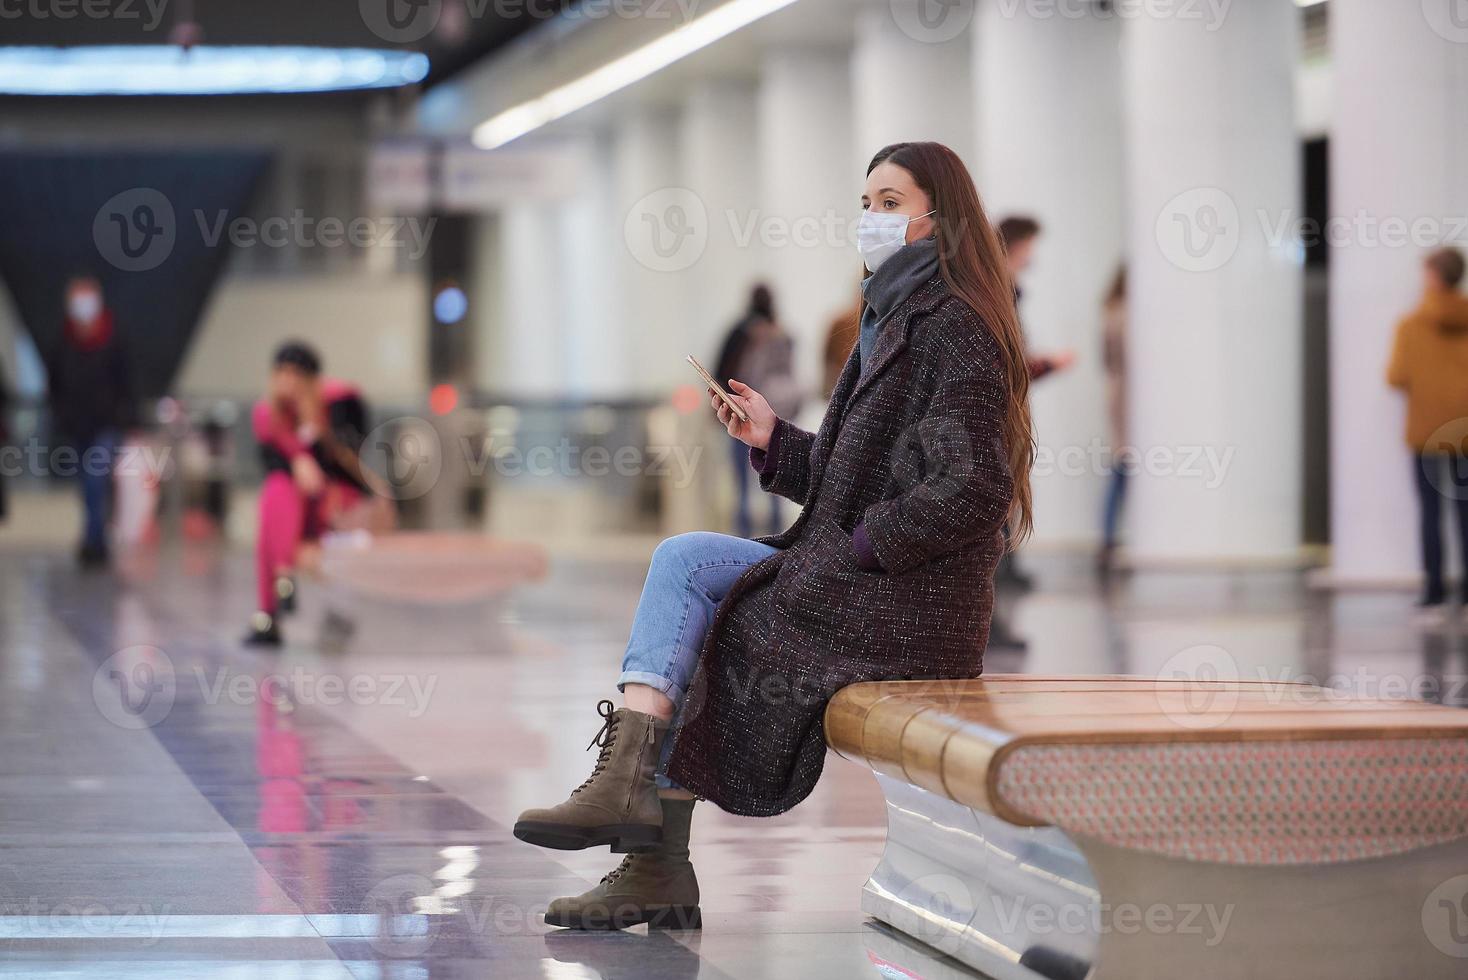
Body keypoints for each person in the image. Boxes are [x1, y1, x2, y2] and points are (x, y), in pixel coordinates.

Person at [512, 141, 1034, 931]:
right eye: (866, 204)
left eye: (890, 204)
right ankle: (634, 807)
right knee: (686, 561)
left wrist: (863, 547)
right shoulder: (891, 316)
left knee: (732, 612)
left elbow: (973, 487)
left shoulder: (953, 326)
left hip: (907, 600)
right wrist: (772, 440)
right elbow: (847, 475)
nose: (871, 220)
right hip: (863, 575)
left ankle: (647, 844)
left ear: (942, 220)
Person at [246, 342, 381, 647]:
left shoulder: (339, 403)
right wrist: (297, 459)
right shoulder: (268, 414)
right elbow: (271, 463)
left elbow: (347, 461)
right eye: (281, 372)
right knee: (276, 492)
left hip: (336, 501)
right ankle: (282, 580)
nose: (287, 381)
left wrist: (316, 429)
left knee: (285, 511)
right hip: (294, 509)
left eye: (295, 374)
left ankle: (277, 603)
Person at [1387, 246, 1468, 616]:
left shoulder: (1411, 325)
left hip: (1425, 432)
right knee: (1464, 511)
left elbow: (1396, 376)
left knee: (1430, 512)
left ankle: (1434, 591)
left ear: (1433, 277)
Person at [49, 276, 133, 567]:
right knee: (87, 485)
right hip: (77, 427)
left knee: (95, 479)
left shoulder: (114, 339)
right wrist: (61, 416)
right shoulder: (63, 342)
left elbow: (126, 382)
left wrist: (127, 418)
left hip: (107, 426)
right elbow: (55, 384)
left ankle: (94, 542)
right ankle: (95, 536)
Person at [712, 285, 802, 537]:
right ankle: (776, 537)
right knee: (775, 479)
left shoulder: (739, 333)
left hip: (741, 414)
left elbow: (721, 371)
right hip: (775, 414)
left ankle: (742, 535)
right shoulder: (783, 334)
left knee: (741, 483)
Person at [1098, 266, 1128, 575]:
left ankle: (1108, 539)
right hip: (1128, 399)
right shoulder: (1126, 315)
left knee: (1121, 469)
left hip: (1119, 394)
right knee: (1123, 469)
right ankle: (1108, 540)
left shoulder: (1111, 311)